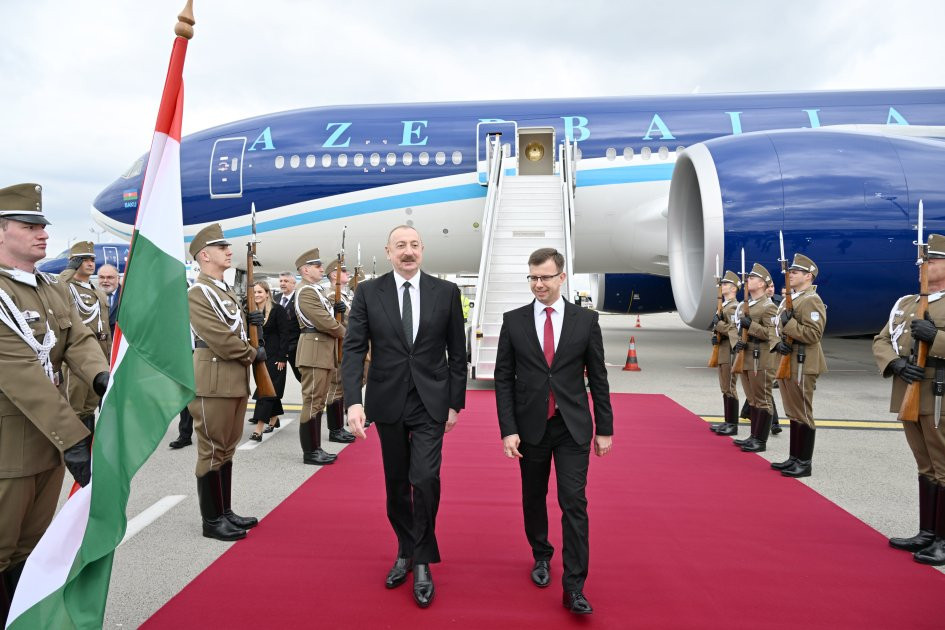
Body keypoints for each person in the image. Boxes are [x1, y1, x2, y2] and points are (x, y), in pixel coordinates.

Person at [0, 183, 110, 624]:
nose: (43, 233)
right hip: (9, 447)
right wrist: (75, 439)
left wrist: (101, 376)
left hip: (48, 442)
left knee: (30, 547)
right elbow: (20, 373)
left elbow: (77, 339)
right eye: (29, 226)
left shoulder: (49, 287)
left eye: (42, 225)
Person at [341, 225, 467, 609]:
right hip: (388, 400)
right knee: (396, 483)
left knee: (425, 478)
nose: (407, 251)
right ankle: (405, 548)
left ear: (422, 249)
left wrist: (454, 403)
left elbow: (457, 352)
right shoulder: (368, 292)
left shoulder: (446, 292)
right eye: (400, 246)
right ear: (389, 251)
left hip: (431, 401)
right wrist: (353, 401)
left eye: (413, 245)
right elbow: (353, 349)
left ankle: (423, 560)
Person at [493, 247, 613, 616]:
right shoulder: (514, 321)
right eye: (533, 277)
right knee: (533, 497)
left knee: (574, 502)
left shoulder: (585, 320)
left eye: (545, 277)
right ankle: (541, 554)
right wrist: (508, 429)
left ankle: (574, 587)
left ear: (562, 277)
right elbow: (503, 379)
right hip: (530, 428)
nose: (538, 284)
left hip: (571, 426)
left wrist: (605, 428)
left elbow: (598, 377)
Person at [187, 223, 264, 541]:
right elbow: (219, 337)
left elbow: (235, 329)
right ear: (204, 255)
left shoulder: (224, 290)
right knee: (212, 448)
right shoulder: (198, 293)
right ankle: (211, 520)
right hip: (213, 379)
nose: (229, 251)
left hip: (233, 378)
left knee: (227, 448)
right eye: (221, 247)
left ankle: (225, 511)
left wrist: (253, 323)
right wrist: (252, 353)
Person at [873, 233, 945, 565]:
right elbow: (882, 339)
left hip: (938, 391)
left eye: (931, 260)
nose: (923, 265)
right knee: (924, 463)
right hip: (909, 389)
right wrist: (896, 364)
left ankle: (942, 539)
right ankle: (927, 532)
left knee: (943, 465)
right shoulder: (905, 303)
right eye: (922, 261)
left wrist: (936, 337)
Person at [770, 253, 827, 478]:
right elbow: (775, 327)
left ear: (808, 276)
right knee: (793, 413)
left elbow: (814, 334)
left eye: (795, 272)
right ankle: (794, 458)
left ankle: (804, 463)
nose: (790, 275)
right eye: (790, 271)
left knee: (803, 413)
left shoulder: (811, 300)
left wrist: (790, 323)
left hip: (803, 363)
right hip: (788, 361)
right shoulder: (791, 298)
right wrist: (778, 343)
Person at [294, 249, 345, 465]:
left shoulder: (316, 290)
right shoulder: (306, 291)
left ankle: (315, 448)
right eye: (317, 266)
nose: (322, 269)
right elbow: (324, 321)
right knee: (313, 401)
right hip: (314, 350)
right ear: (305, 270)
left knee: (319, 401)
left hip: (322, 350)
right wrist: (346, 333)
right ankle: (311, 451)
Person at [58, 241, 111, 432]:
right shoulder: (66, 287)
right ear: (74, 262)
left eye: (92, 259)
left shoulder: (98, 292)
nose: (90, 263)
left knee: (90, 406)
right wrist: (69, 270)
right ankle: (75, 448)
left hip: (99, 354)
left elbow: (105, 327)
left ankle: (88, 447)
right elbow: (54, 287)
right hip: (79, 359)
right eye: (84, 259)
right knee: (75, 408)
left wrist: (109, 355)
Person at [730, 263, 777, 453]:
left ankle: (760, 440)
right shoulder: (748, 305)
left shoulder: (768, 307)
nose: (748, 280)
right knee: (752, 400)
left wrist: (751, 326)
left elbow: (772, 334)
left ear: (762, 283)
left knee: (762, 399)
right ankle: (753, 436)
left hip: (761, 358)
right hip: (747, 355)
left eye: (752, 278)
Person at [248, 281, 291, 441]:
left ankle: (258, 429)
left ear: (267, 293)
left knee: (265, 392)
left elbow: (285, 334)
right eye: (254, 292)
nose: (257, 295)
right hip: (258, 357)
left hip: (275, 357)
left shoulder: (277, 310)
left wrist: (282, 357)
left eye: (260, 292)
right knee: (269, 390)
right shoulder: (251, 311)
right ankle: (274, 418)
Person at [323, 259, 355, 443]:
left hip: (346, 344)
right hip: (338, 346)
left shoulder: (344, 295)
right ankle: (335, 430)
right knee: (335, 386)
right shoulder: (331, 295)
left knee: (341, 386)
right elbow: (339, 322)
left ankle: (339, 427)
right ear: (334, 275)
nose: (347, 273)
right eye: (343, 271)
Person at [709, 271, 742, 436]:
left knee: (730, 387)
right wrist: (715, 336)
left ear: (734, 288)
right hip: (722, 350)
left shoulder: (734, 307)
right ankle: (727, 421)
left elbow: (734, 330)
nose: (722, 286)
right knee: (724, 387)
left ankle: (732, 424)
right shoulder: (725, 305)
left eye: (726, 284)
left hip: (730, 351)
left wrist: (719, 325)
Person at [275, 271, 302, 383]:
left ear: (294, 283)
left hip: (294, 346)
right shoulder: (275, 298)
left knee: (301, 376)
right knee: (276, 378)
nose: (282, 283)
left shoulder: (299, 298)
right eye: (281, 281)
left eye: (286, 281)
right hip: (277, 346)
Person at [97, 263, 121, 331]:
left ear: (118, 279)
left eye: (110, 277)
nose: (105, 281)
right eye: (102, 277)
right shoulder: (92, 295)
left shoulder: (125, 295)